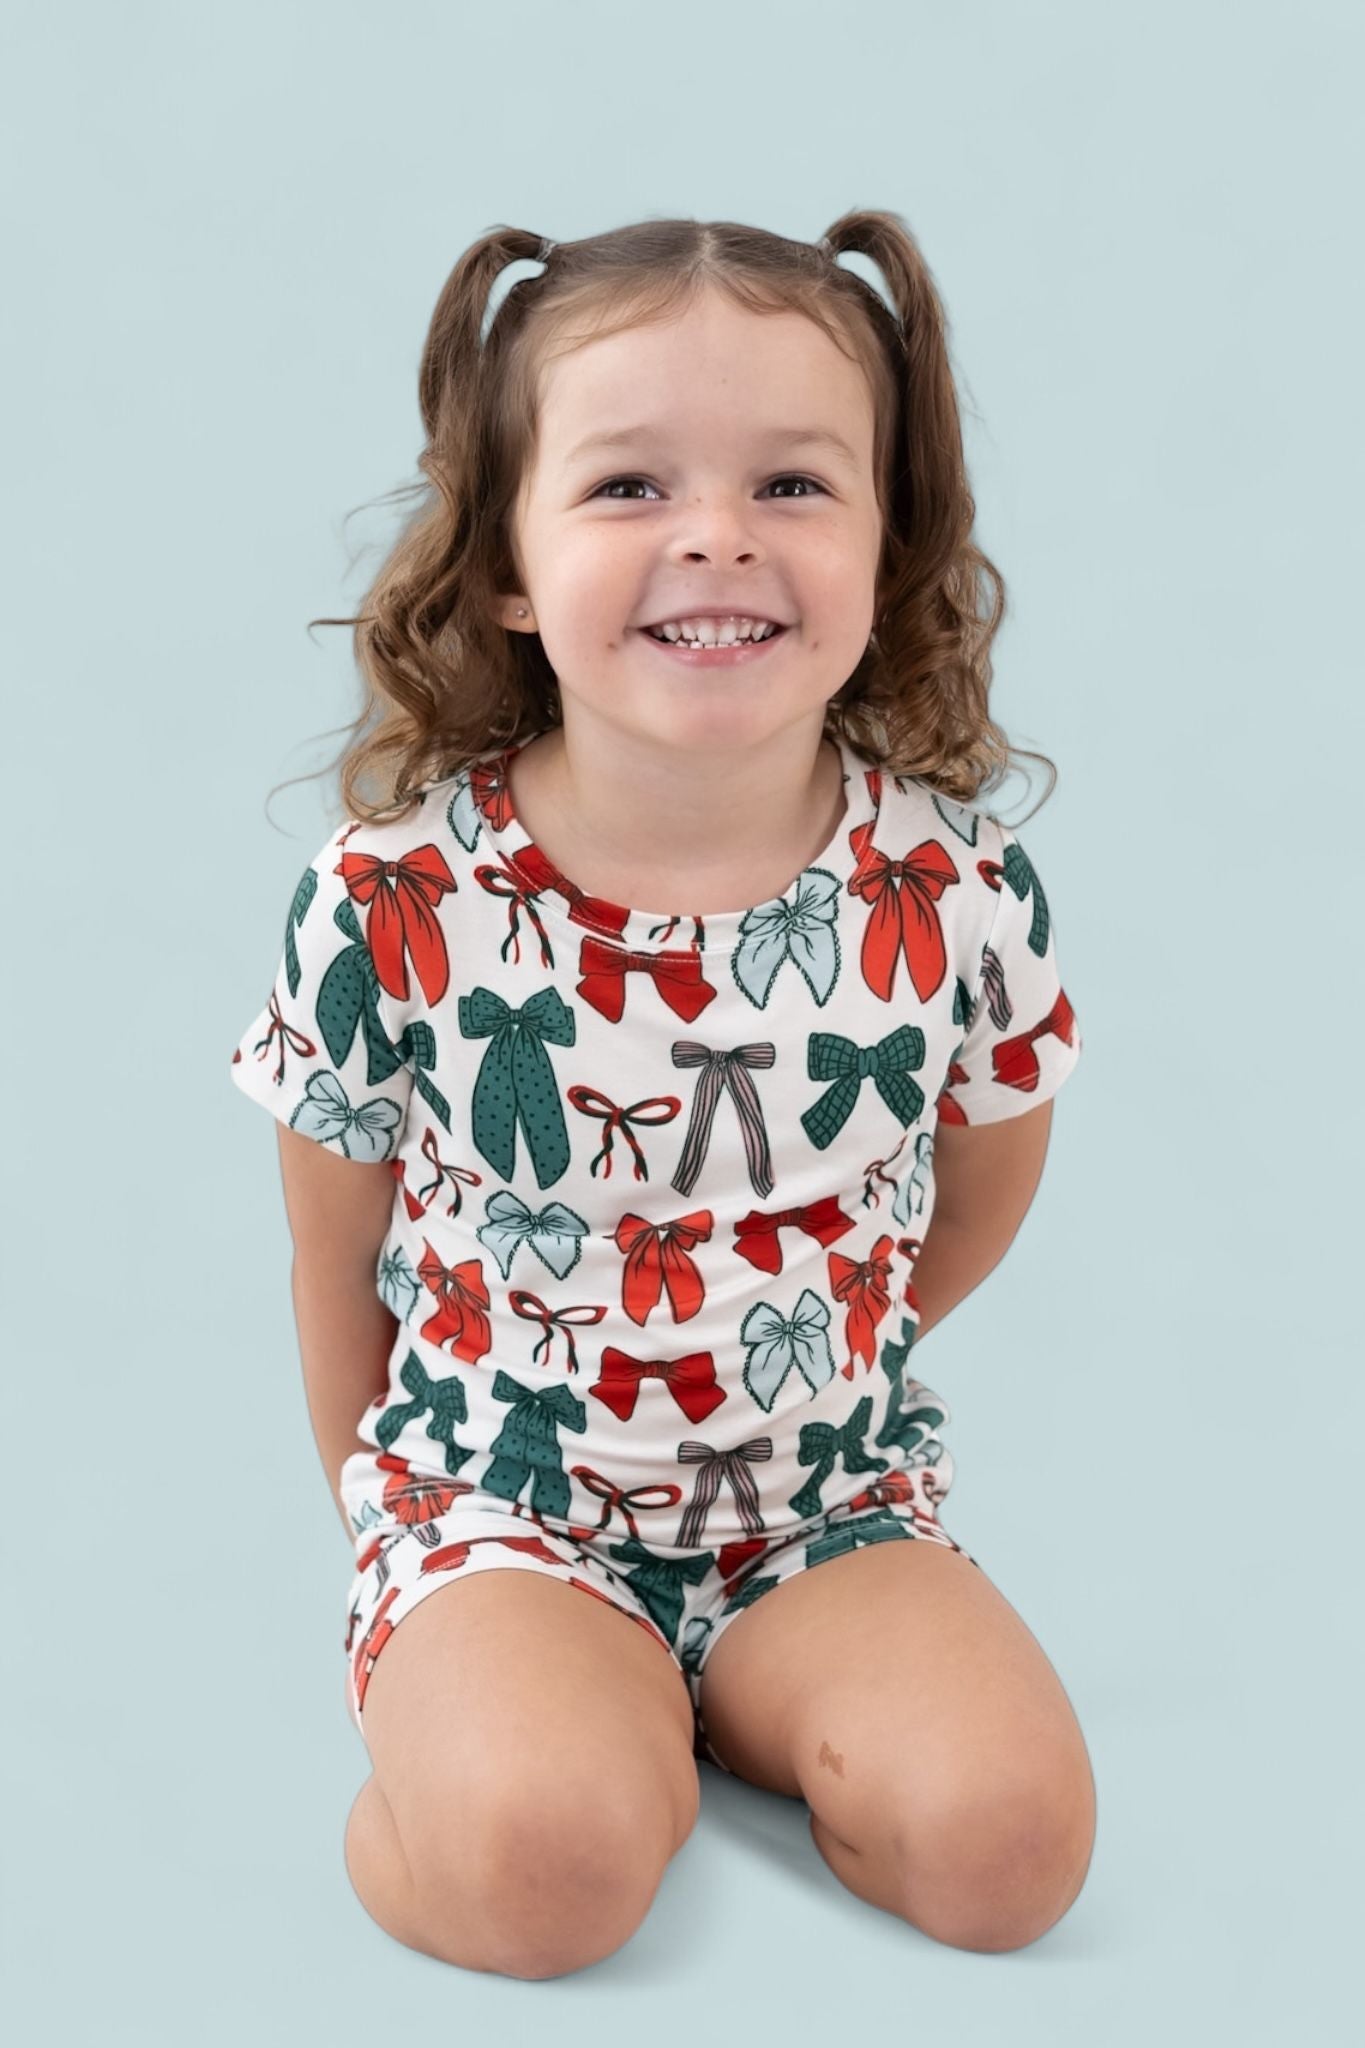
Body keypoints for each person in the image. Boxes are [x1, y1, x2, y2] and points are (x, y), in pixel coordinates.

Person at [229, 209, 1094, 1976]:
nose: (716, 533)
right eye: (628, 486)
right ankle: (522, 1714)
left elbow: (981, 1183)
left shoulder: (956, 892)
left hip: (825, 1506)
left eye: (793, 483)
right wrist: (388, 1523)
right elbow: (333, 1251)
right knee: (537, 1881)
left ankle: (713, 1698)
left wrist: (810, 1364)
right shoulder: (394, 900)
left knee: (1006, 1863)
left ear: (887, 546)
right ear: (505, 565)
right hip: (500, 1507)